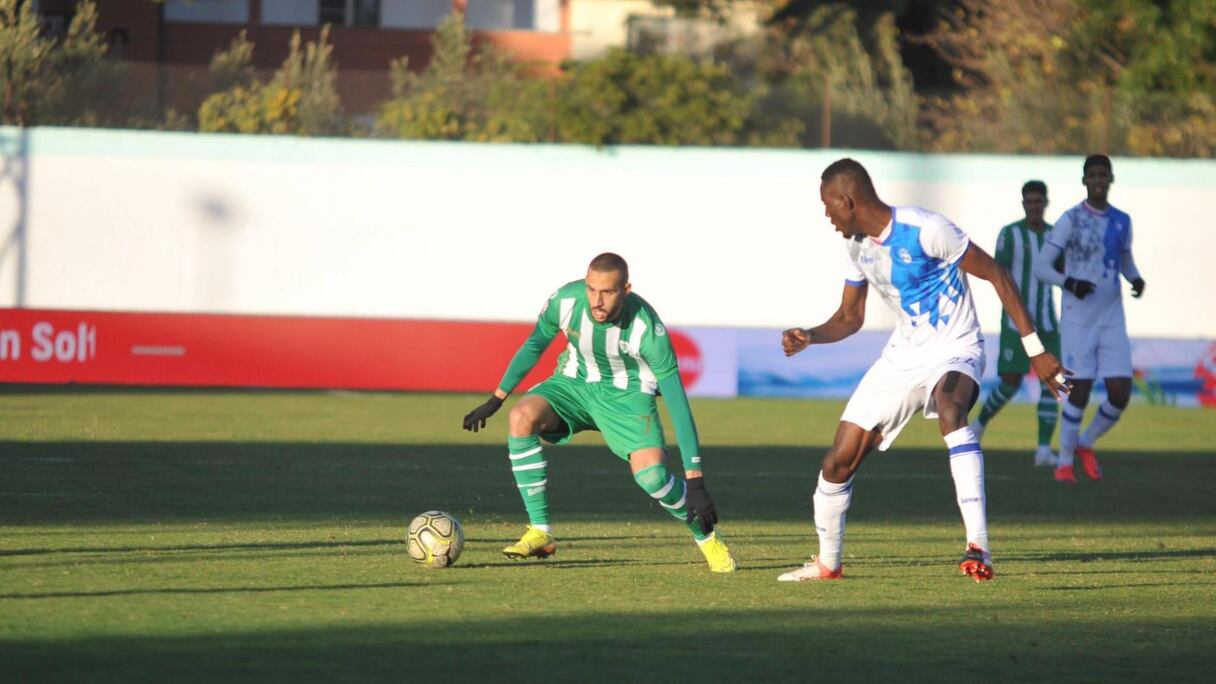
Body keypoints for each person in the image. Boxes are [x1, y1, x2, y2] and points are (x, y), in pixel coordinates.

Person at [777, 158, 1068, 583]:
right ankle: (828, 565)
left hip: (956, 348)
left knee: (951, 409)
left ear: (848, 200)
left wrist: (1035, 350)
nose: (826, 214)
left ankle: (979, 547)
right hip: (902, 357)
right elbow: (850, 317)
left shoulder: (927, 229)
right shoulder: (855, 248)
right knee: (837, 462)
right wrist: (811, 335)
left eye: (828, 204)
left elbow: (996, 273)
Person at [461, 252, 736, 573]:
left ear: (626, 290)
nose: (597, 300)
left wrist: (696, 482)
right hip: (573, 384)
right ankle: (540, 531)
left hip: (627, 396)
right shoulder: (566, 301)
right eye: (591, 289)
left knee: (652, 477)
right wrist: (497, 398)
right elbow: (535, 344)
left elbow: (678, 404)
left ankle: (706, 536)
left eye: (607, 292)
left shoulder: (646, 328)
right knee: (521, 416)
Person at [1032, 154, 1145, 484]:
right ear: (1084, 181)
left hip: (1112, 317)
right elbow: (1041, 267)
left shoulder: (1122, 220)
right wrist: (1069, 282)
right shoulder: (1071, 219)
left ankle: (1085, 442)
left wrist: (1135, 278)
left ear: (1111, 179)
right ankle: (1064, 462)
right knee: (1079, 390)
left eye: (1103, 175)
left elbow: (1124, 259)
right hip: (1078, 318)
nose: (1098, 180)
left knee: (1120, 392)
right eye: (1092, 175)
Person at [970, 181, 1062, 467]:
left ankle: (1044, 449)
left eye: (1038, 201)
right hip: (1015, 322)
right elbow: (998, 273)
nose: (1034, 206)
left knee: (1054, 381)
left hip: (1047, 323)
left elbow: (1064, 271)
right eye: (1029, 201)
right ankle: (979, 425)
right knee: (1011, 382)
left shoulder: (1055, 236)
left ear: (1045, 203)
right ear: (1023, 204)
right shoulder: (1009, 234)